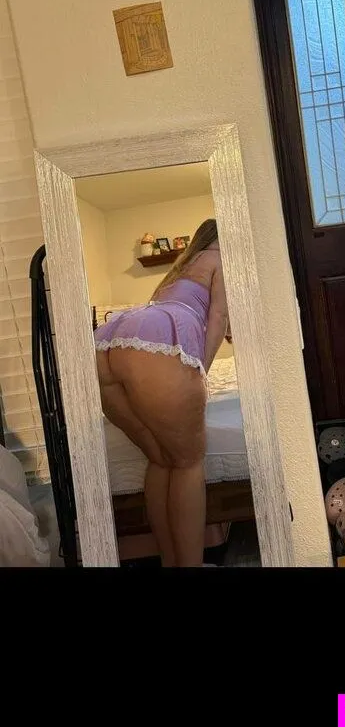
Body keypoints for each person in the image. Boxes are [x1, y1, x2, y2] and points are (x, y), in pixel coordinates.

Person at [93, 219, 230, 567]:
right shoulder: (222, 259)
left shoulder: (182, 266)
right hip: (152, 348)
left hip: (108, 344)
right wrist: (200, 370)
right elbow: (218, 317)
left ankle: (171, 562)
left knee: (160, 459)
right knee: (187, 463)